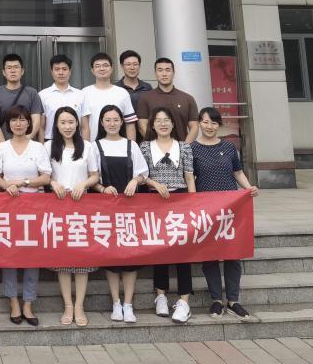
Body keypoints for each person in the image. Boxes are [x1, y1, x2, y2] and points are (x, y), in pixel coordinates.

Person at [192, 106, 258, 320]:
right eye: (205, 122)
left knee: (233, 254)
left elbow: (237, 172)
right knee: (209, 255)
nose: (209, 126)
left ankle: (233, 300)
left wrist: (248, 187)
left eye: (213, 122)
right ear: (199, 123)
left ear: (218, 125)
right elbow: (190, 177)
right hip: (206, 210)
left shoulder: (229, 148)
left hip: (230, 210)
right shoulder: (192, 149)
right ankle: (216, 300)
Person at [0, 105, 51, 326]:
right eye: (14, 120)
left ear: (29, 123)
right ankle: (13, 301)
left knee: (31, 255)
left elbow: (46, 177)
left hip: (33, 207)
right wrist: (7, 185)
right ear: (8, 124)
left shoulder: (38, 147)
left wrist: (24, 182)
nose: (18, 124)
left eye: (22, 120)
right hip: (9, 207)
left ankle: (28, 302)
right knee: (9, 253)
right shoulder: (2, 147)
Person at [140, 107, 196, 324]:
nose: (162, 124)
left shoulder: (184, 147)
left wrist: (193, 205)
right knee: (160, 249)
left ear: (173, 124)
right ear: (152, 125)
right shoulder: (145, 147)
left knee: (183, 251)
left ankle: (184, 301)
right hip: (154, 201)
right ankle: (161, 295)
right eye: (158, 120)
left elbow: (189, 178)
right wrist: (155, 183)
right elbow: (141, 175)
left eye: (167, 120)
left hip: (180, 200)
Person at [93, 104, 148, 323]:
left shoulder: (131, 145)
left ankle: (128, 304)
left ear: (122, 122)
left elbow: (143, 173)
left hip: (130, 208)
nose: (112, 123)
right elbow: (92, 177)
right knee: (111, 257)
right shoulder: (95, 146)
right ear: (101, 122)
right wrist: (102, 188)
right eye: (108, 120)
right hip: (106, 209)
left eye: (116, 119)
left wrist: (135, 180)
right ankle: (116, 302)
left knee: (130, 256)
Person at [45, 106, 99, 327]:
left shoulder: (87, 146)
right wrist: (53, 183)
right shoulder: (48, 146)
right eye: (63, 122)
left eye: (71, 122)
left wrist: (83, 184)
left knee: (82, 258)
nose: (67, 126)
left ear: (77, 124)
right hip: (58, 206)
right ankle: (68, 304)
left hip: (81, 206)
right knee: (63, 259)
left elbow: (95, 175)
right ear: (56, 125)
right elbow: (43, 175)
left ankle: (79, 305)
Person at [136, 57, 199, 142]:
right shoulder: (145, 98)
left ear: (174, 73)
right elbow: (142, 126)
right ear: (155, 73)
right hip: (154, 147)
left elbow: (194, 127)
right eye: (160, 70)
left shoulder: (187, 99)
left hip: (181, 146)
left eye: (168, 70)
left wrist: (184, 146)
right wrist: (156, 145)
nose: (164, 74)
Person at [80, 52, 138, 142]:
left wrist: (131, 146)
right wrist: (86, 147)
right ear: (92, 70)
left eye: (105, 65)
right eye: (97, 66)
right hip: (93, 145)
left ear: (112, 69)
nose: (102, 68)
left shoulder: (122, 93)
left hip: (119, 145)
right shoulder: (84, 93)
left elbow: (130, 123)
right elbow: (84, 125)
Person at [0, 53, 42, 142]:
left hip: (28, 145)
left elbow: (36, 121)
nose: (13, 70)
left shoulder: (32, 93)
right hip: (4, 143)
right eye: (9, 68)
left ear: (22, 71)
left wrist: (26, 140)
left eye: (16, 67)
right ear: (4, 72)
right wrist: (4, 144)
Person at [38, 54, 85, 141]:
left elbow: (84, 127)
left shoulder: (80, 95)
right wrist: (42, 146)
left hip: (75, 141)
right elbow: (40, 127)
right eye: (57, 69)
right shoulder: (42, 95)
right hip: (50, 141)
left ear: (70, 71)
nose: (61, 73)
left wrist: (85, 146)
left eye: (64, 69)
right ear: (51, 72)